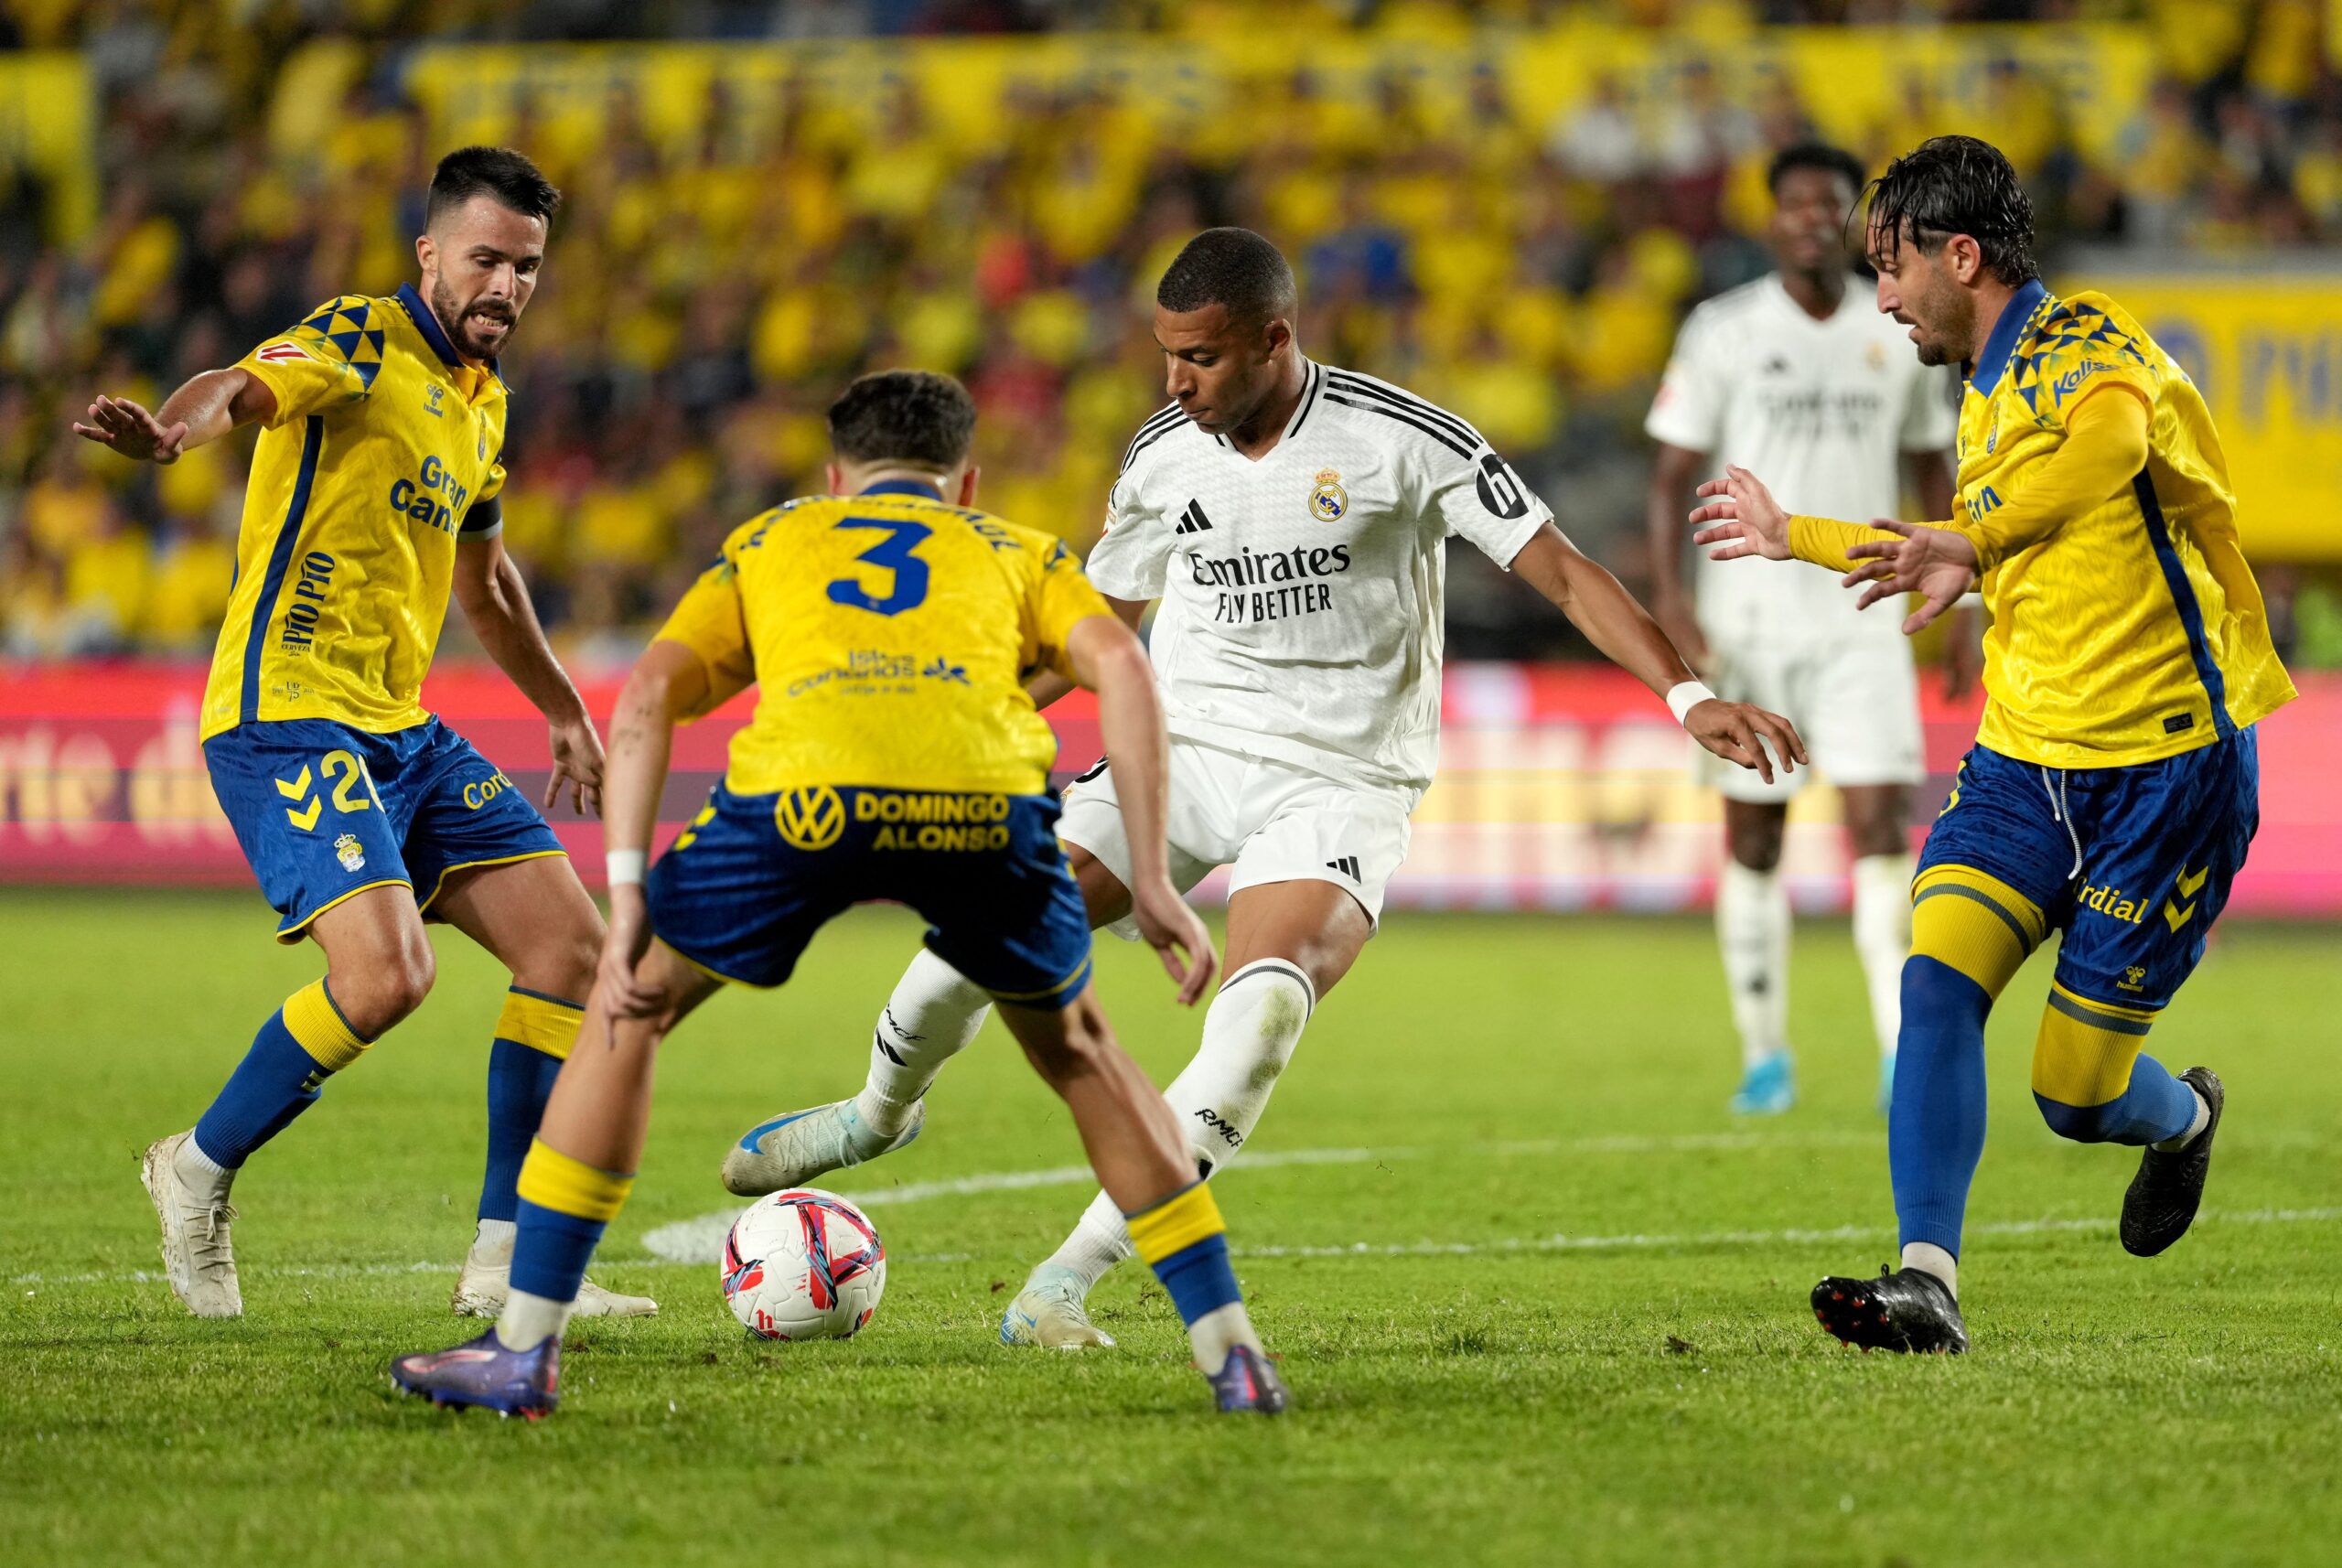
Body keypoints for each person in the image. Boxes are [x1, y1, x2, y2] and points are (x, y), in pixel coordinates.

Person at [721, 228, 1806, 1351]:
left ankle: (1063, 1282)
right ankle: (874, 1114)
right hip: (1182, 751)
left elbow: (1565, 573)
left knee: (1263, 1015)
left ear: (1274, 341)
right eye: (1165, 355)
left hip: (1340, 777)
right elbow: (1096, 633)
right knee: (982, 922)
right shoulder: (1161, 454)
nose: (1174, 381)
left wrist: (1687, 698)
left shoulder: (1402, 439)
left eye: (1199, 357)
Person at [388, 370, 1288, 1418]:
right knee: (1082, 1053)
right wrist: (1156, 878)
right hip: (979, 812)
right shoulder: (1014, 551)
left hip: (798, 805)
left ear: (833, 478)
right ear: (965, 484)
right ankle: (1232, 1355)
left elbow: (647, 696)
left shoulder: (776, 540)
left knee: (626, 1012)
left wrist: (627, 888)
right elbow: (1122, 670)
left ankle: (523, 1349)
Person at [1691, 136, 2295, 1353]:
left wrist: (1978, 533)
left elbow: (2111, 450)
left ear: (1958, 253)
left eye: (1894, 266)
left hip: (2165, 772)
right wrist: (1793, 530)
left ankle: (2179, 1120)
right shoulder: (1978, 385)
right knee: (1935, 980)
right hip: (2025, 761)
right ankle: (1927, 1280)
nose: (1885, 295)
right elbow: (1952, 546)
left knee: (2074, 1097)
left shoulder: (2085, 341)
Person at [77, 147, 652, 1323]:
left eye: (527, 267)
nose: (505, 286)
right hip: (286, 709)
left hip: (401, 726)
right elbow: (235, 386)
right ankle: (194, 1166)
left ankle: (505, 1261)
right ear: (430, 252)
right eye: (485, 259)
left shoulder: (483, 405)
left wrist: (562, 707)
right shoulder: (357, 336)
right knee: (389, 977)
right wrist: (174, 438)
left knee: (575, 956)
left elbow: (486, 584)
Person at [1646, 142, 1964, 1117]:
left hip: (1865, 615)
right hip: (1749, 621)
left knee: (1877, 828)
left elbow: (1929, 472)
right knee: (1754, 837)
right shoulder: (1723, 330)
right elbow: (1669, 475)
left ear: (1859, 225)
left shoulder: (1896, 329)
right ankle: (1764, 1054)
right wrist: (1672, 596)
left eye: (1831, 206)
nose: (1812, 221)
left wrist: (1965, 602)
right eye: (1795, 205)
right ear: (1772, 218)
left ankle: (1894, 1051)